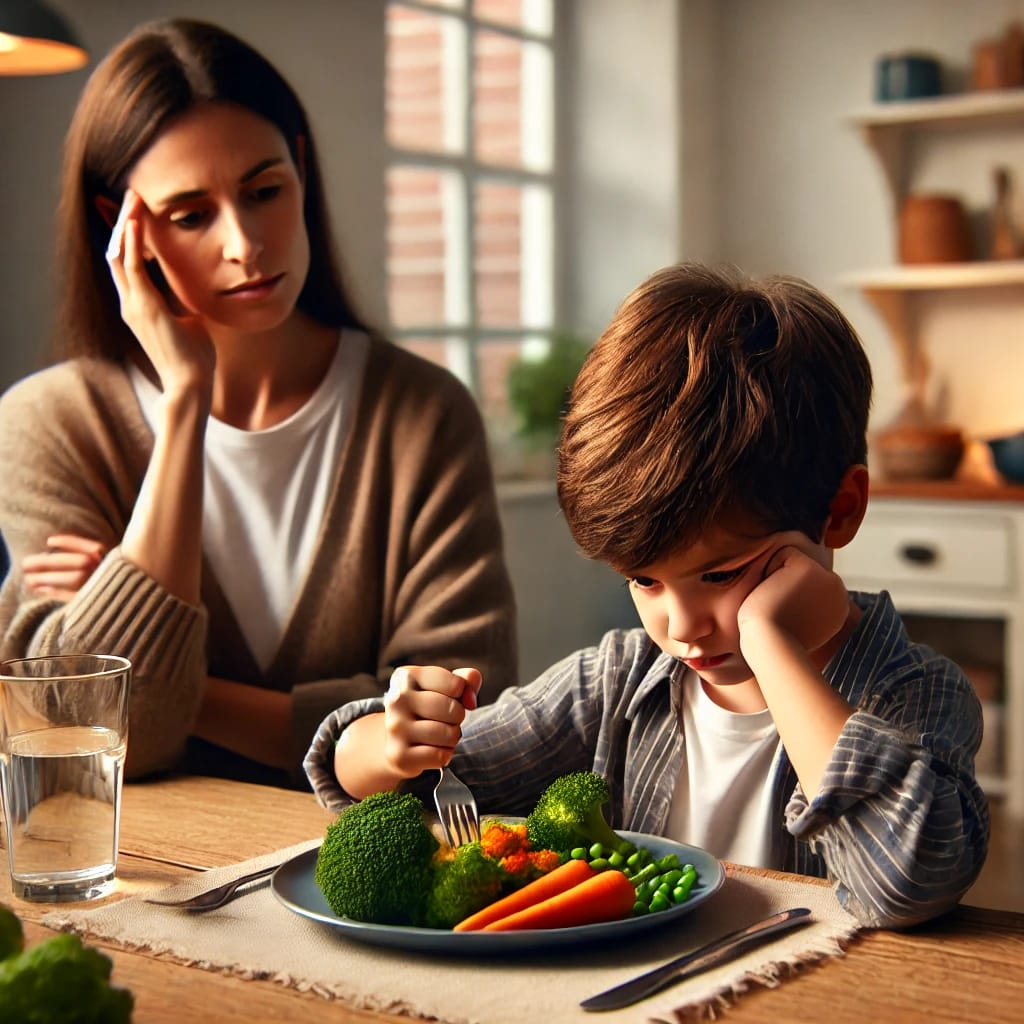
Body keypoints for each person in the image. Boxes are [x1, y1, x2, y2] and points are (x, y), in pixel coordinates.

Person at [304, 262, 990, 929]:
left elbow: (910, 881)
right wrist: (395, 743)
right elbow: (385, 775)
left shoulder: (915, 694)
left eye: (721, 575)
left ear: (839, 511)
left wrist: (774, 646)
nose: (683, 625)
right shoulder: (615, 685)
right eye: (644, 580)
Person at [0, 18, 517, 788]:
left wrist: (163, 673)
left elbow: (467, 720)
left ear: (301, 169)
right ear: (121, 227)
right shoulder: (50, 424)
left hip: (363, 889)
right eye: (190, 214)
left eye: (264, 190)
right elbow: (89, 743)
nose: (244, 243)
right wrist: (184, 404)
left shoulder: (420, 414)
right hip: (150, 883)